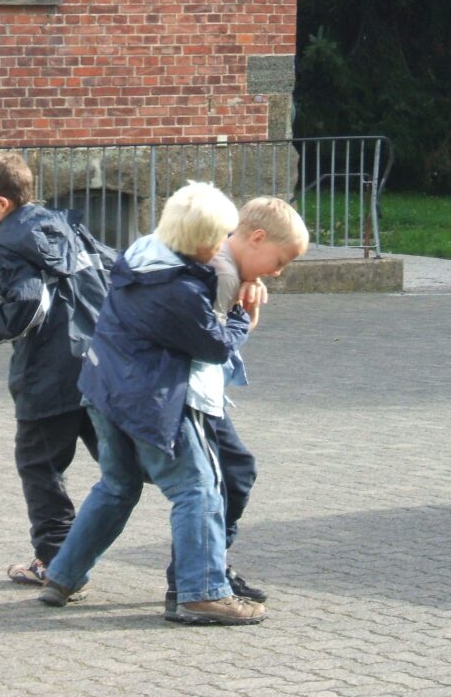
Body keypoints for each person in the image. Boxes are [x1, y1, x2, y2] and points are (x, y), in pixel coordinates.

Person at [38, 181, 266, 625]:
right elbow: (215, 346)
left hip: (104, 388)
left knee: (117, 487)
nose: (224, 247)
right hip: (151, 398)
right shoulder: (177, 290)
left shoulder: (142, 255)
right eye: (220, 238)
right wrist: (242, 315)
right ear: (203, 243)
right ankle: (201, 594)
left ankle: (63, 575)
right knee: (197, 489)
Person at [0, 150, 108, 585]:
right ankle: (200, 524)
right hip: (98, 364)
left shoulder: (9, 243)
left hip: (49, 374)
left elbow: (28, 303)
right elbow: (110, 269)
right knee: (125, 465)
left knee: (39, 465)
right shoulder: (63, 225)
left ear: (2, 205)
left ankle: (55, 559)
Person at [165, 194, 310, 617]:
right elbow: (214, 345)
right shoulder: (222, 273)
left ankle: (205, 571)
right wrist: (244, 313)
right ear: (257, 238)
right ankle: (198, 579)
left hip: (197, 393)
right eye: (279, 261)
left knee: (223, 478)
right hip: (192, 396)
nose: (278, 272)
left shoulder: (227, 267)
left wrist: (251, 288)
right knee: (221, 480)